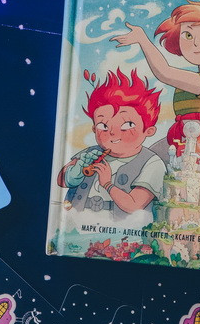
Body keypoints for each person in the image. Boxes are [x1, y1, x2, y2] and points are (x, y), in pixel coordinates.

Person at [111, 1, 200, 156]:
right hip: (182, 136)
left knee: (152, 159)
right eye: (188, 35)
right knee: (151, 159)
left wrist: (143, 40)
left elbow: (165, 73)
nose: (196, 44)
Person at [57, 69, 165, 218]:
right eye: (103, 126)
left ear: (148, 130)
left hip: (121, 230)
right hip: (77, 223)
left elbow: (134, 205)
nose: (113, 132)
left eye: (127, 125)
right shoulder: (90, 153)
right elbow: (61, 181)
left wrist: (107, 184)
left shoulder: (152, 163)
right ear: (94, 129)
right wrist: (75, 171)